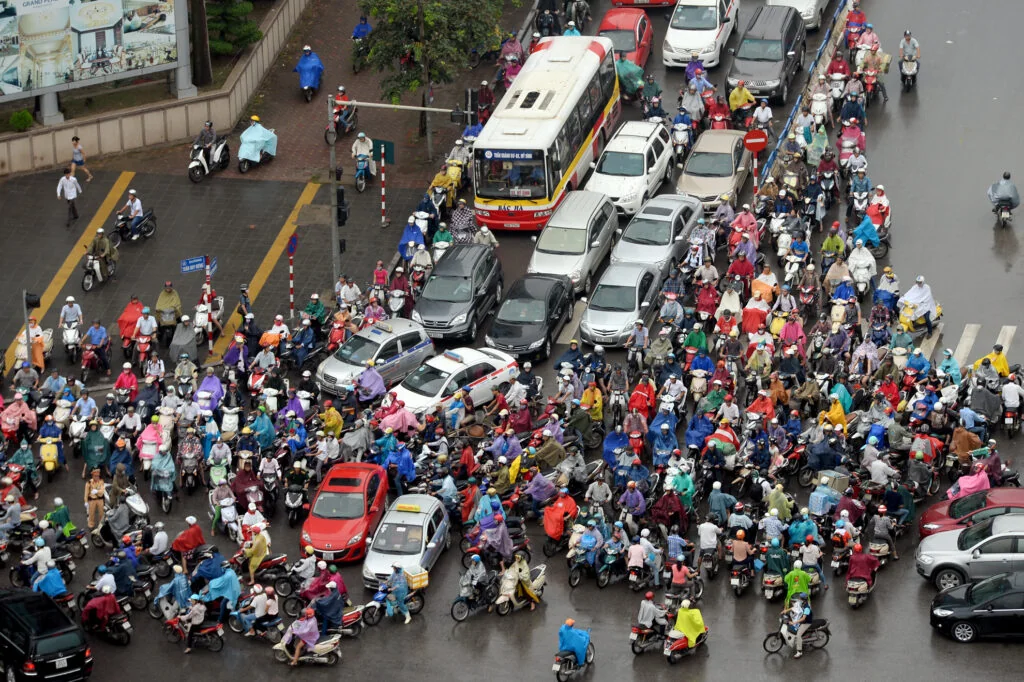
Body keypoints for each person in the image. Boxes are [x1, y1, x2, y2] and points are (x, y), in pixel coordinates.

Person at [781, 592, 812, 658]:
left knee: (798, 635)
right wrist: (786, 611)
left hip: (806, 622)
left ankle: (799, 652)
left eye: (800, 598)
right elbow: (795, 607)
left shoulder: (807, 608)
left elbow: (803, 619)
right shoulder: (801, 603)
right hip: (800, 619)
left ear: (803, 600)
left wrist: (794, 623)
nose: (799, 599)